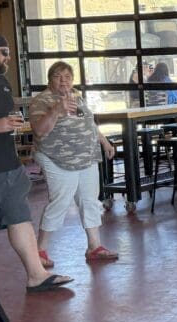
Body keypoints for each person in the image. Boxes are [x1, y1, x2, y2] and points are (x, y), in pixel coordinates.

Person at [0, 31, 73, 293]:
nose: (8, 57)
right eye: (4, 52)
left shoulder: (1, 81)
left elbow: (3, 118)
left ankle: (36, 275)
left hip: (8, 166)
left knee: (20, 217)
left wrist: (7, 124)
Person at [29, 61, 118, 265]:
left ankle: (94, 246)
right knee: (60, 200)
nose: (63, 81)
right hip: (57, 157)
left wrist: (104, 141)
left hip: (86, 156)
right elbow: (39, 131)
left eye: (67, 77)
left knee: (90, 199)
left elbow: (89, 123)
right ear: (50, 80)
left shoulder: (76, 96)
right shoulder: (41, 100)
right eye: (58, 76)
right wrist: (56, 110)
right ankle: (40, 250)